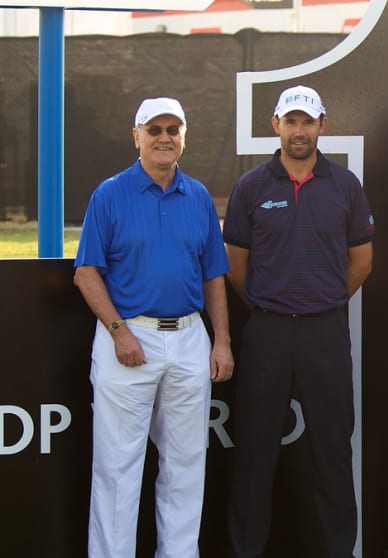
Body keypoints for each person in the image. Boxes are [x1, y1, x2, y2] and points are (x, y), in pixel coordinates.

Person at [74, 97, 234, 557]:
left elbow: (213, 276)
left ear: (183, 136)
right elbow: (86, 272)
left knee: (186, 467)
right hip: (128, 338)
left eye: (173, 129)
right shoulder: (110, 194)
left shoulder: (199, 196)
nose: (164, 137)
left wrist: (220, 340)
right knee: (118, 469)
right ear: (137, 137)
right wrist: (119, 331)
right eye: (154, 129)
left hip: (189, 338)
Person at [224, 84, 375, 557]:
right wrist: (270, 305)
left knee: (332, 452)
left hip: (324, 332)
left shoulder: (345, 186)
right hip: (266, 332)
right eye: (291, 121)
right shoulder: (251, 186)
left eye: (307, 122)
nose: (299, 130)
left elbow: (362, 261)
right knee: (254, 454)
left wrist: (322, 299)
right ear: (276, 126)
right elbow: (235, 262)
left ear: (322, 126)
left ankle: (338, 551)